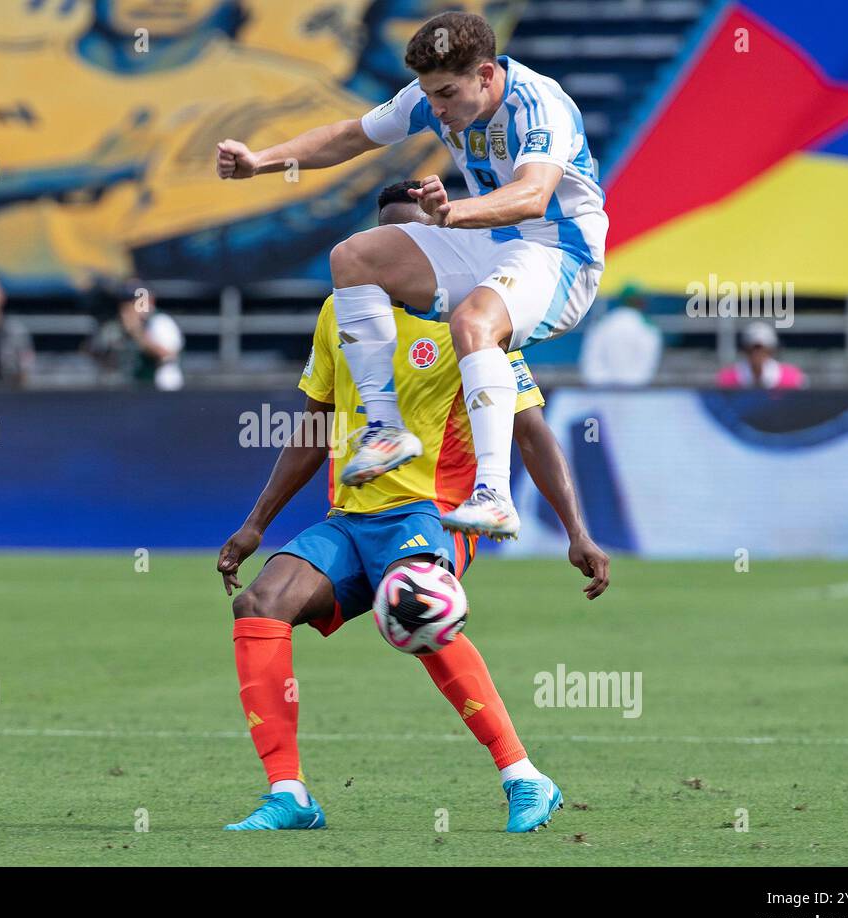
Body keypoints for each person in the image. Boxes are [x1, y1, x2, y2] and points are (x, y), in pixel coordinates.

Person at [215, 183, 610, 833]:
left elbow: (532, 430)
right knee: (259, 604)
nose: (401, 257)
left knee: (412, 603)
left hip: (432, 513)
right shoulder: (339, 315)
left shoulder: (478, 318)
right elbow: (316, 428)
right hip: (351, 517)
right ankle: (290, 795)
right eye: (390, 242)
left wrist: (577, 532)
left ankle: (523, 777)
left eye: (419, 240)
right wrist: (255, 523)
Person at [217, 10, 607, 542]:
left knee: (473, 322)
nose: (437, 109)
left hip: (560, 251)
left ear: (486, 75)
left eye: (446, 93)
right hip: (490, 243)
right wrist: (260, 160)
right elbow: (349, 137)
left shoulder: (539, 104)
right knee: (353, 258)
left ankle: (494, 495)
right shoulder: (431, 100)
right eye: (430, 95)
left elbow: (534, 196)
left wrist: (455, 214)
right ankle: (385, 431)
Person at [579, 283, 662, 386]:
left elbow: (591, 360)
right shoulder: (647, 328)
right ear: (642, 301)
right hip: (635, 391)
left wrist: (600, 384)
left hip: (602, 391)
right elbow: (648, 364)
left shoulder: (603, 323)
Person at [117, 283, 184, 391]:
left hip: (161, 385)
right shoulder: (124, 326)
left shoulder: (160, 320)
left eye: (134, 301)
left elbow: (168, 354)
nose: (129, 306)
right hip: (137, 385)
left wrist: (136, 331)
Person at [715, 321, 806, 390]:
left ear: (771, 350)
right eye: (752, 349)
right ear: (745, 350)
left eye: (761, 349)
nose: (757, 354)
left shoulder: (792, 378)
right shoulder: (727, 379)